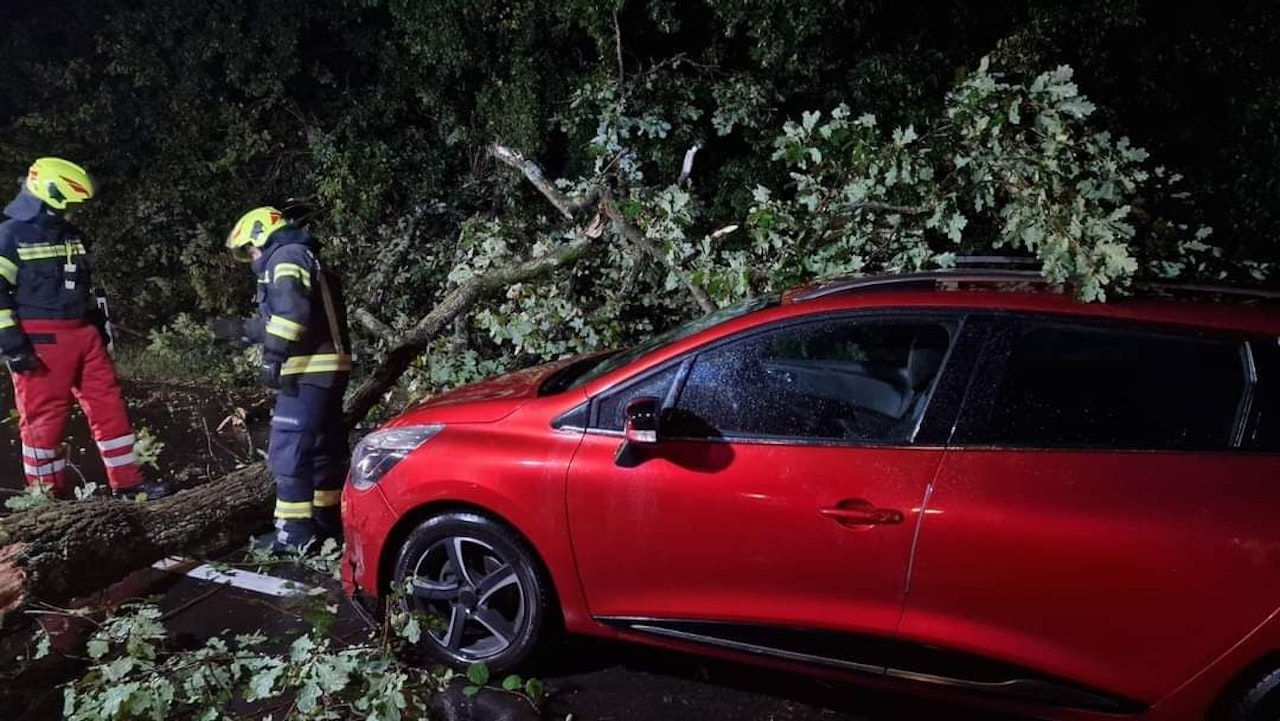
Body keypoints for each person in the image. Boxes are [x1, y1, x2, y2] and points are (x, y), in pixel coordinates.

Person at [0, 157, 170, 500]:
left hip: (83, 333)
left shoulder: (71, 235)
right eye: (73, 203)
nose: (76, 211)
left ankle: (129, 484)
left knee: (111, 409)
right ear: (52, 195)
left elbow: (80, 285)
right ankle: (48, 501)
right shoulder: (9, 235)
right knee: (43, 422)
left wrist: (98, 328)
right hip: (41, 338)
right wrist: (12, 344)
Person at [212, 206, 351, 552]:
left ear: (263, 236)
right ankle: (326, 523)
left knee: (288, 452)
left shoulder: (286, 255)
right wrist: (239, 331)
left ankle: (293, 535)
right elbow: (287, 316)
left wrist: (272, 357)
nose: (253, 257)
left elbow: (292, 314)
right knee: (322, 450)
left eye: (251, 248)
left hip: (307, 369)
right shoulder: (303, 255)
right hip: (328, 367)